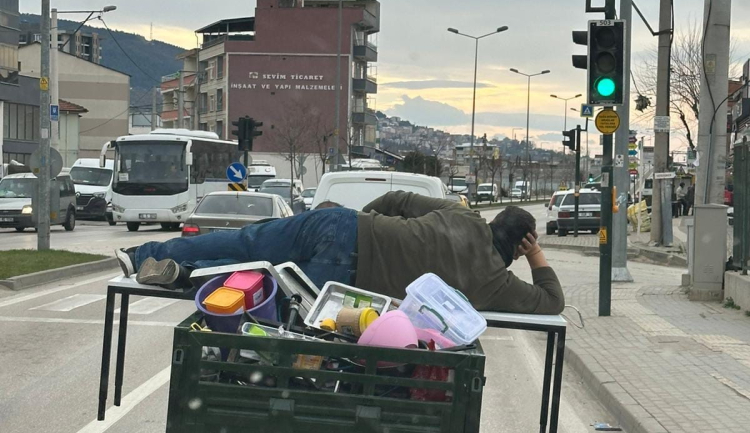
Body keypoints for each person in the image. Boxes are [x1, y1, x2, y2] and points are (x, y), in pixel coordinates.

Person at [116, 192, 565, 315]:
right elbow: (551, 303)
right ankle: (187, 274)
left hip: (342, 225)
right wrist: (537, 257)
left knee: (246, 243)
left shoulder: (464, 216)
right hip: (343, 276)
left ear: (492, 223)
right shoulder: (494, 281)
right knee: (262, 280)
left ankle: (146, 255)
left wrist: (360, 225)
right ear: (517, 249)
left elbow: (398, 201)